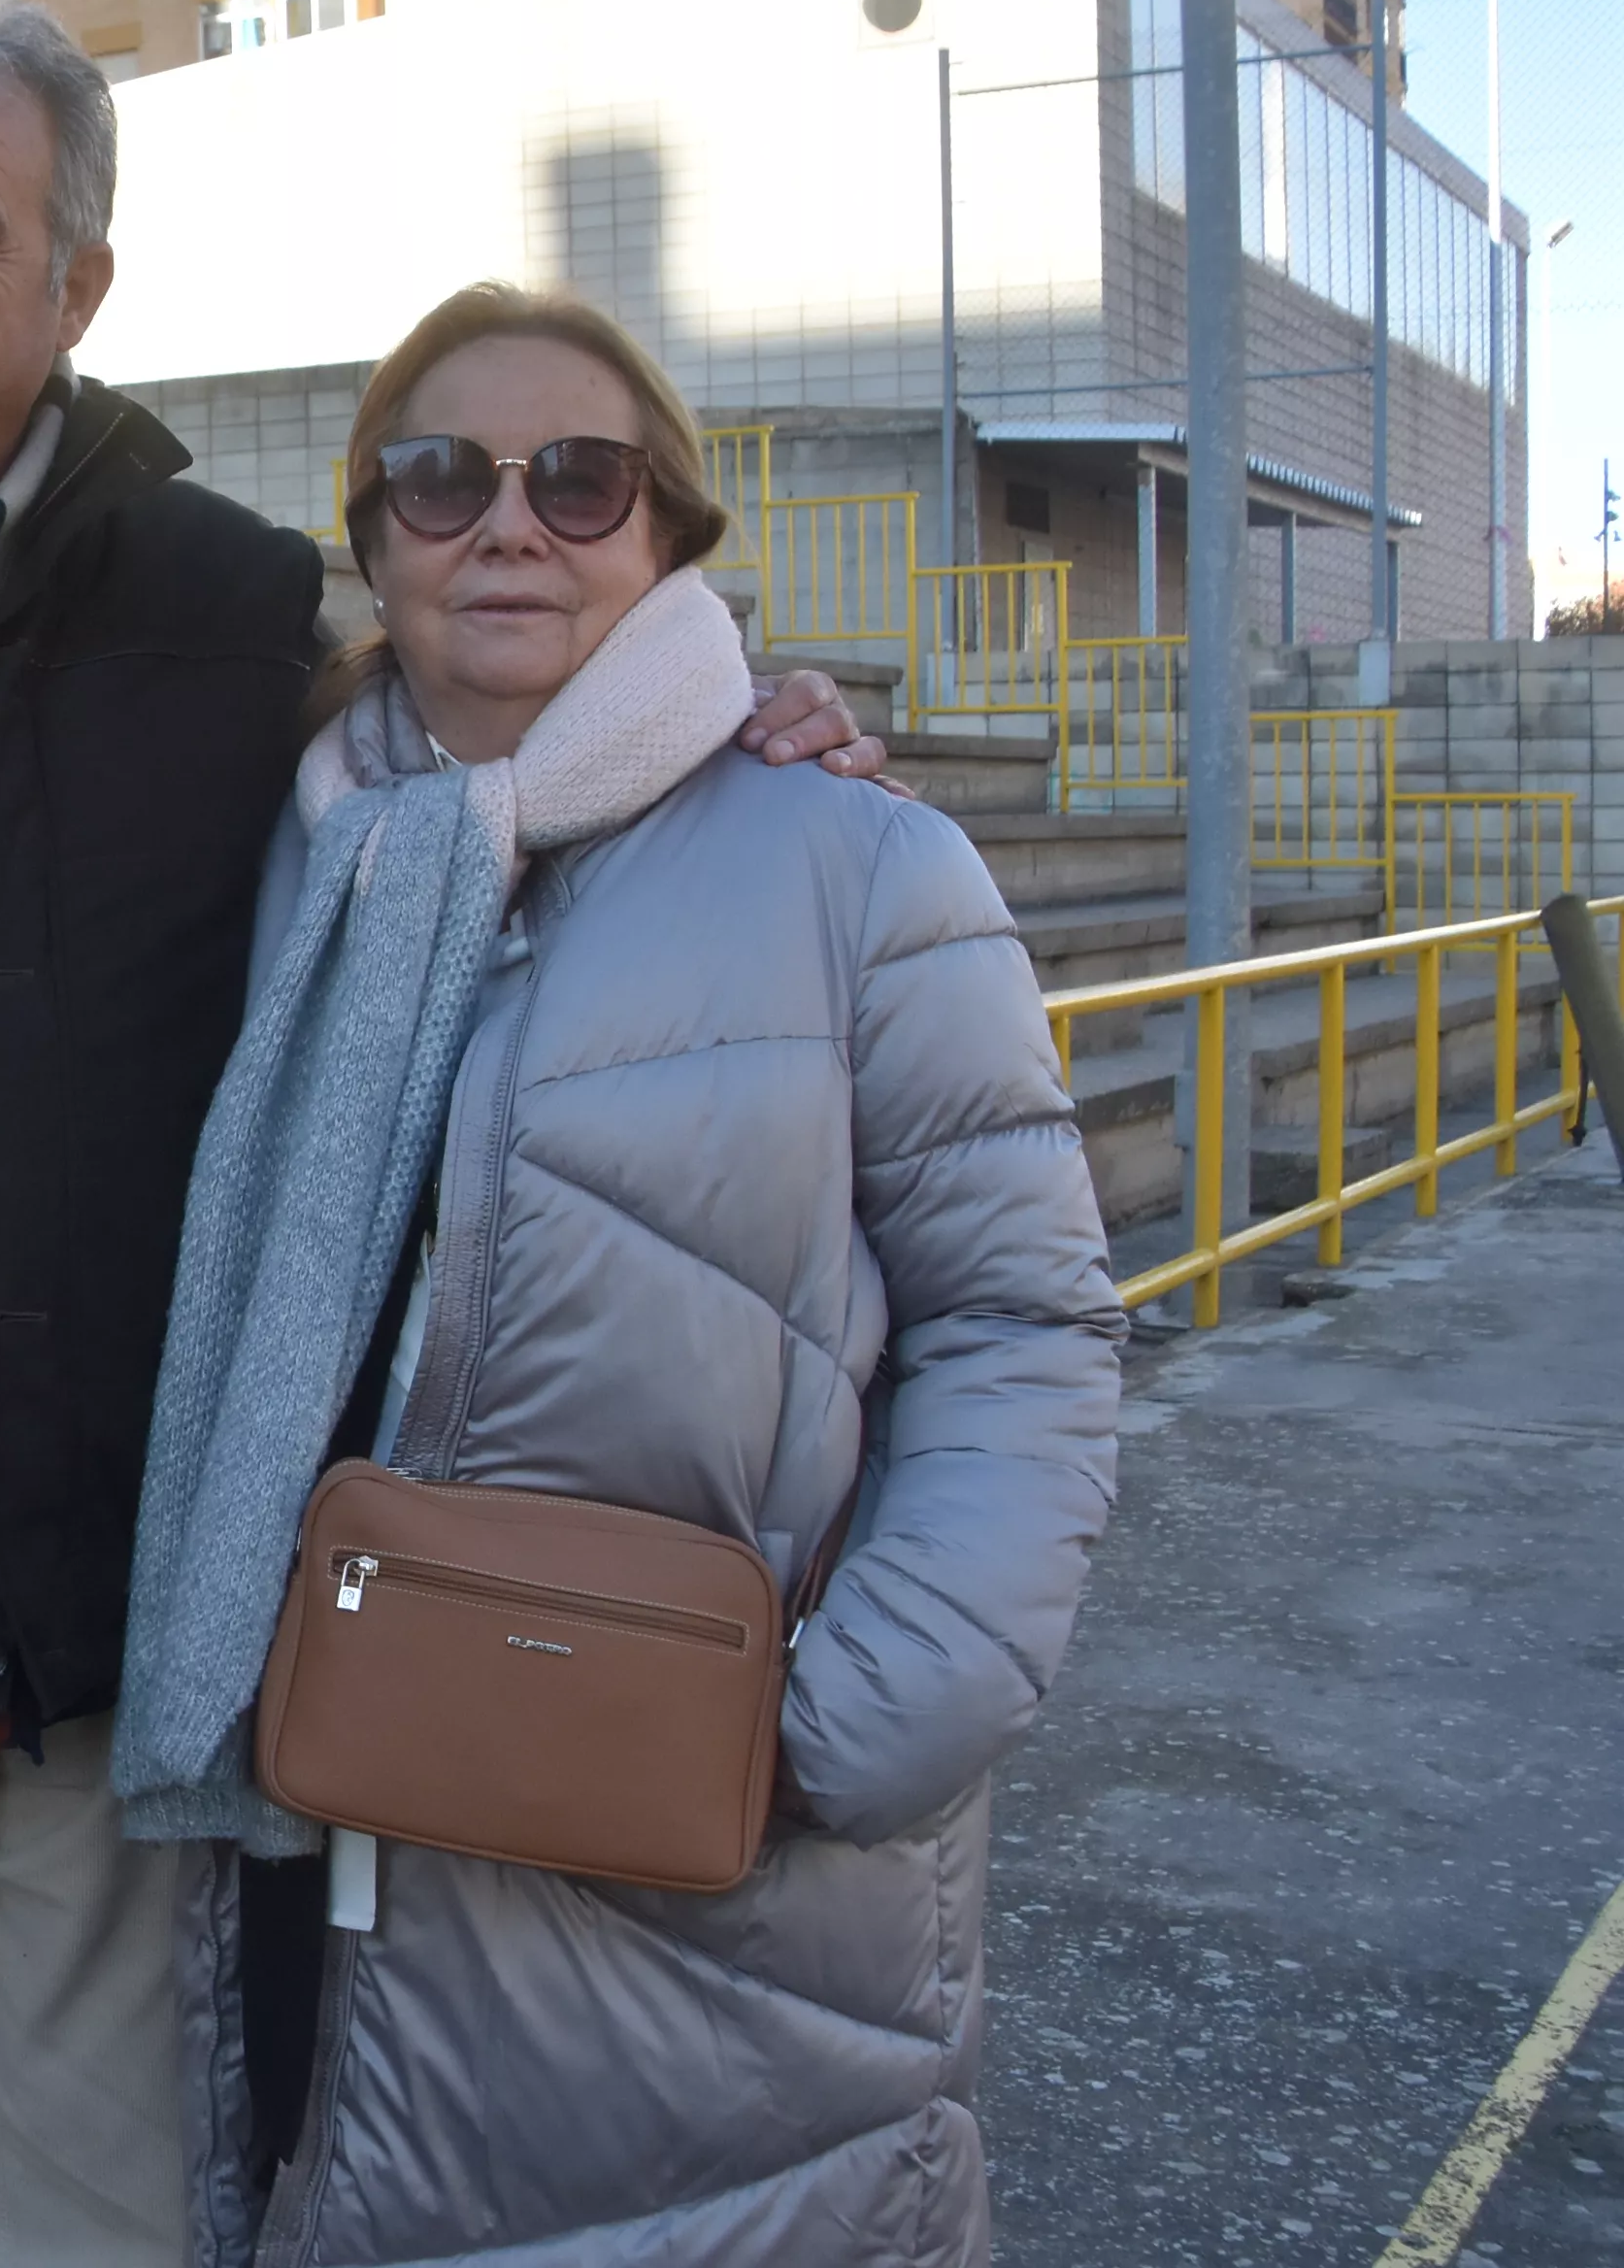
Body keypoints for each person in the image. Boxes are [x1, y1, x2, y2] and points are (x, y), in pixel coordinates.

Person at [0, 0, 888, 2259]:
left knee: (112, 2230)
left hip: (138, 1634)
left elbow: (503, 764)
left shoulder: (237, 613)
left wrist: (745, 716)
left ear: (79, 292)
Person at [114, 284, 1123, 2263]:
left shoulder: (856, 864)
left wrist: (843, 1731)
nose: (507, 525)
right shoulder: (303, 861)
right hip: (318, 1830)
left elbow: (1026, 1331)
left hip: (715, 1866)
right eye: (437, 480)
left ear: (664, 532)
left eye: (576, 481)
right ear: (373, 539)